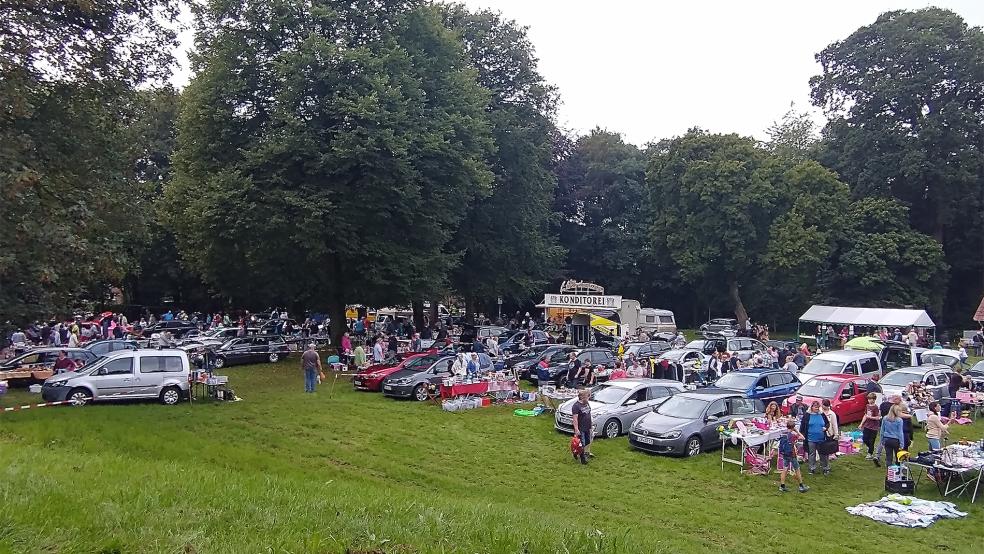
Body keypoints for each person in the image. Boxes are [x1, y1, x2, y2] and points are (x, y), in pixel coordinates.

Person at [799, 401, 830, 476]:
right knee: (811, 454)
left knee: (823, 454)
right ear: (811, 407)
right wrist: (801, 435)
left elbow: (827, 423)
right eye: (815, 406)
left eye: (817, 406)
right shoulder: (807, 415)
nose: (816, 408)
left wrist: (825, 428)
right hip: (810, 439)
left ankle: (825, 468)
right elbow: (802, 426)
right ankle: (812, 468)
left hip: (821, 438)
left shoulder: (822, 414)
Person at [777, 419, 809, 493]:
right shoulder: (793, 435)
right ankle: (801, 486)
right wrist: (797, 431)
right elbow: (803, 438)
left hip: (785, 453)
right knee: (797, 469)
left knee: (785, 469)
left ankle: (782, 486)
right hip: (792, 454)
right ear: (793, 427)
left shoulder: (783, 434)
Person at [571, 389, 593, 465]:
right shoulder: (576, 406)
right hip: (581, 428)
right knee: (582, 443)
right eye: (587, 397)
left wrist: (591, 424)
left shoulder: (587, 403)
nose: (588, 398)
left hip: (587, 427)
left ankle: (575, 452)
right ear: (583, 397)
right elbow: (575, 419)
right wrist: (576, 429)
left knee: (587, 441)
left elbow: (589, 414)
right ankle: (583, 459)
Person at [859, 393, 882, 461]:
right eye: (868, 399)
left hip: (874, 427)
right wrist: (861, 424)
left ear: (874, 399)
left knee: (872, 440)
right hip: (867, 426)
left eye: (870, 399)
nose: (869, 400)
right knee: (865, 439)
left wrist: (870, 417)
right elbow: (865, 415)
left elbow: (878, 417)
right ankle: (871, 448)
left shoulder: (876, 407)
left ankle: (870, 453)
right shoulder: (867, 406)